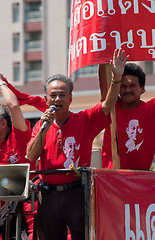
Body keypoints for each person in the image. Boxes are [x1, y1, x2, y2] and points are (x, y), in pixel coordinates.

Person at [26, 48, 129, 240]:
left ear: (70, 98)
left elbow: (108, 104)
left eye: (62, 95)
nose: (57, 99)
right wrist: (45, 128)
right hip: (48, 197)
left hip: (76, 194)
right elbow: (31, 156)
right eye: (53, 95)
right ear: (46, 99)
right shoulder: (41, 124)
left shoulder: (84, 120)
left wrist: (116, 78)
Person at [0, 74, 37, 240]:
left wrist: (1, 83)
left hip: (30, 202)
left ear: (3, 124)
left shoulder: (19, 136)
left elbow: (13, 106)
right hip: (4, 210)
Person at [99, 62, 155, 170]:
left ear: (142, 88)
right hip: (111, 180)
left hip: (141, 181)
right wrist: (103, 59)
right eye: (123, 86)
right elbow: (104, 82)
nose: (127, 90)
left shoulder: (150, 110)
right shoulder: (111, 107)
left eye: (132, 86)